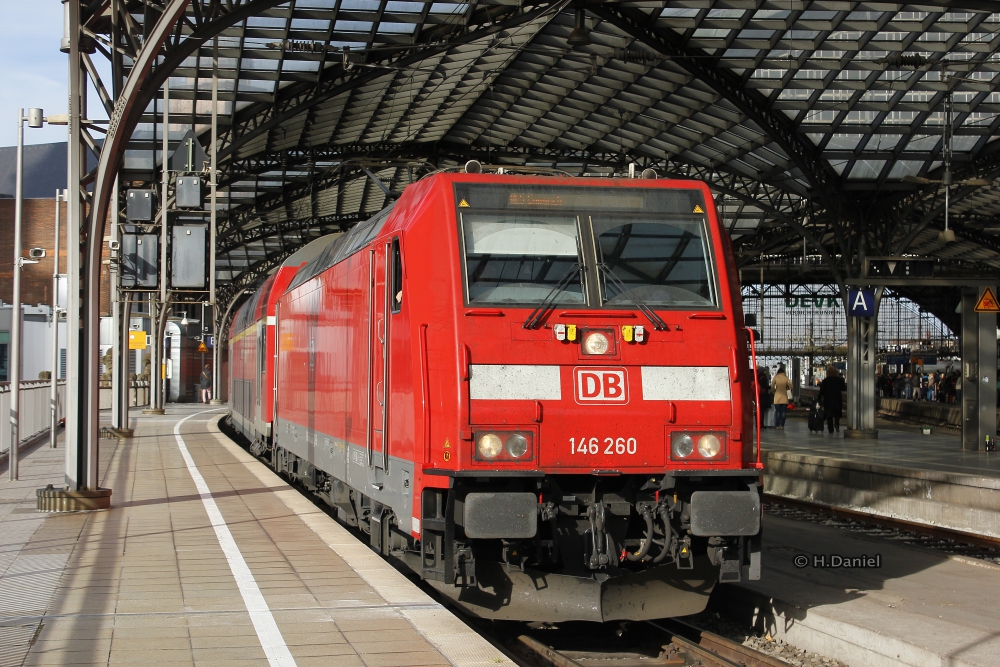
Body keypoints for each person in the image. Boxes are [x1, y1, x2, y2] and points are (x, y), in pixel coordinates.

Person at [816, 365, 847, 434]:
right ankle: (837, 424)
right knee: (837, 413)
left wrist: (818, 398)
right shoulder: (840, 380)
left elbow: (822, 391)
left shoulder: (825, 381)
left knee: (829, 414)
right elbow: (843, 388)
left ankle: (830, 429)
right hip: (837, 398)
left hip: (828, 399)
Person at [770, 365, 793, 431]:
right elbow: (791, 386)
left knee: (777, 412)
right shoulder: (786, 378)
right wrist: (788, 388)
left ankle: (777, 425)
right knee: (783, 412)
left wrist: (774, 391)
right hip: (784, 397)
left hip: (777, 397)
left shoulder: (776, 377)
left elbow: (772, 386)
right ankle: (782, 425)